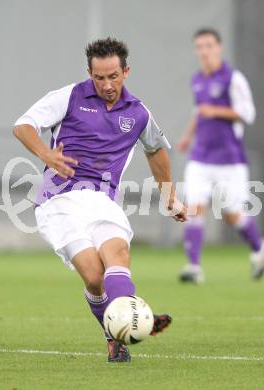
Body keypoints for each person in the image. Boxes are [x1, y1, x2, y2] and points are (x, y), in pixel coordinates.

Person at [13, 37, 187, 362]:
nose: (107, 84)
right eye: (99, 77)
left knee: (117, 255)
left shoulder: (137, 113)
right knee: (94, 276)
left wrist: (170, 197)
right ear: (89, 73)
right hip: (58, 201)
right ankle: (116, 330)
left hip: (103, 200)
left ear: (126, 71)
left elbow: (157, 149)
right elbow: (22, 125)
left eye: (113, 76)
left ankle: (129, 325)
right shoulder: (69, 96)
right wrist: (45, 154)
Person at [177, 28, 263, 283]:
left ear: (219, 47)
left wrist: (216, 110)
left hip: (230, 159)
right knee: (194, 207)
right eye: (199, 46)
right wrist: (188, 136)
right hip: (200, 156)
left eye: (209, 45)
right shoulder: (197, 79)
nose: (204, 51)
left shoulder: (232, 78)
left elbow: (248, 113)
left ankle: (259, 250)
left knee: (232, 213)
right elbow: (198, 112)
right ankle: (194, 267)